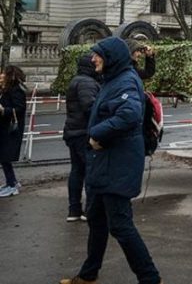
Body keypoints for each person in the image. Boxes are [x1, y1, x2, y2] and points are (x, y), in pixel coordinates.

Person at [60, 37, 161, 284]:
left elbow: (129, 115)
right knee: (96, 219)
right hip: (104, 164)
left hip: (117, 166)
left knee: (120, 226)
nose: (93, 58)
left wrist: (96, 133)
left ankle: (150, 278)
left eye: (98, 54)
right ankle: (88, 274)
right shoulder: (113, 79)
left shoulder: (125, 81)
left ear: (111, 58)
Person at [62, 54, 101, 221]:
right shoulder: (87, 82)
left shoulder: (77, 80)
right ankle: (89, 210)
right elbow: (90, 107)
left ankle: (74, 209)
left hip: (73, 131)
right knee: (90, 171)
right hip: (83, 133)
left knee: (77, 171)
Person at [0, 65, 26, 197]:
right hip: (5, 128)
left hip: (10, 129)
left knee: (5, 156)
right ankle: (12, 182)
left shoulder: (16, 90)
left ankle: (12, 186)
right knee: (4, 157)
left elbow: (20, 109)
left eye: (3, 73)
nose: (1, 75)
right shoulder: (7, 89)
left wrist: (4, 110)